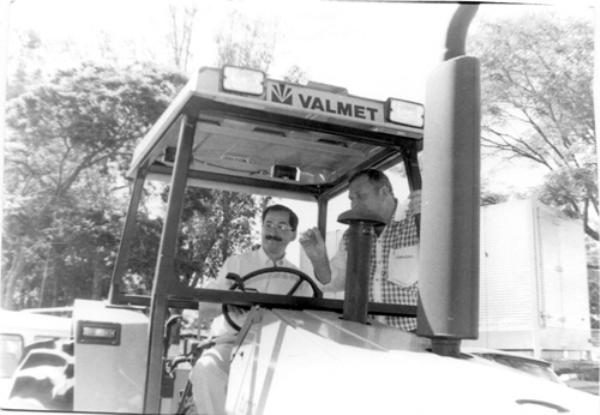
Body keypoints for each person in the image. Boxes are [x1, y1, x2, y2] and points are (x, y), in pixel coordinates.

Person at [190, 204, 323, 415]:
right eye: (268, 225)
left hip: (276, 351)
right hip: (232, 343)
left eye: (281, 226)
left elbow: (308, 320)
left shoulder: (298, 278)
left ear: (293, 234)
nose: (273, 232)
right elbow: (207, 308)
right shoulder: (236, 264)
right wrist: (228, 301)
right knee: (206, 370)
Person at [300, 168, 421, 331]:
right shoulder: (352, 235)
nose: (355, 204)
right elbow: (335, 282)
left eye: (361, 196)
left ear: (384, 192)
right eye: (351, 199)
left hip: (412, 338)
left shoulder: (419, 221)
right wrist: (319, 259)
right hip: (365, 334)